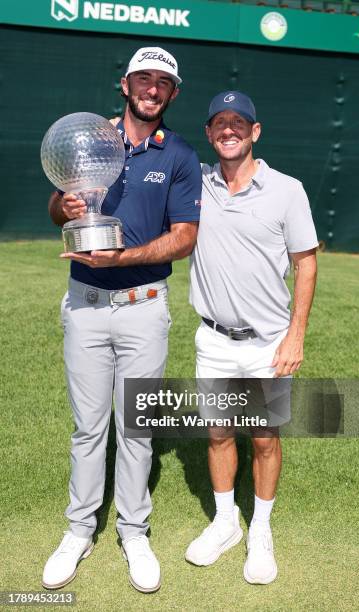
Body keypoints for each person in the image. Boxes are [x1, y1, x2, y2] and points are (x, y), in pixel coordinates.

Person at [42, 46, 201, 593]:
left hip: (143, 308)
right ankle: (79, 529)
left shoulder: (177, 155)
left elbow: (183, 238)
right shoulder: (90, 139)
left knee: (136, 429)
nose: (151, 89)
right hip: (84, 305)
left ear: (172, 93)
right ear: (125, 84)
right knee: (89, 429)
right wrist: (60, 208)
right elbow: (58, 206)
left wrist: (123, 258)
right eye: (143, 79)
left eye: (163, 82)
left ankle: (134, 532)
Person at [186, 91, 318, 584]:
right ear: (209, 132)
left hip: (268, 342)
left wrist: (295, 335)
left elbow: (306, 263)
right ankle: (225, 523)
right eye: (220, 123)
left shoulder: (287, 190)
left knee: (264, 438)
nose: (229, 130)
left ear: (254, 132)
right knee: (219, 433)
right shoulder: (195, 184)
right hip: (214, 339)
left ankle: (260, 529)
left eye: (238, 123)